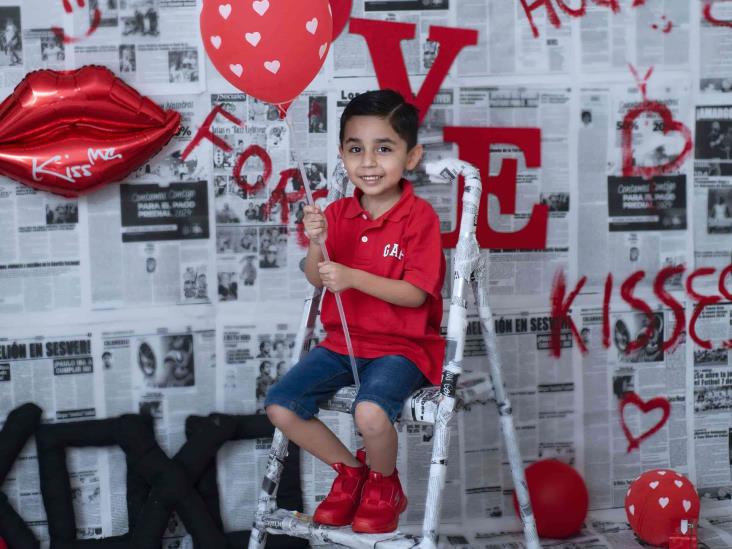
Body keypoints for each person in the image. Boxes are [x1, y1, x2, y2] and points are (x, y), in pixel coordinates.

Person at [265, 89, 445, 533]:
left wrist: (353, 278)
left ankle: (385, 485)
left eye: (384, 149)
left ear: (411, 156)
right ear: (343, 155)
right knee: (281, 406)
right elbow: (315, 276)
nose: (368, 162)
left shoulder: (418, 218)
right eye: (355, 149)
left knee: (370, 413)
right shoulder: (338, 213)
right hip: (343, 344)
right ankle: (352, 473)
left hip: (400, 349)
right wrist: (315, 242)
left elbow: (416, 295)